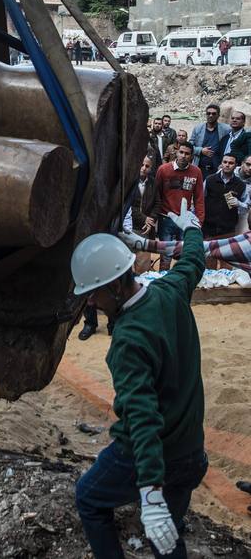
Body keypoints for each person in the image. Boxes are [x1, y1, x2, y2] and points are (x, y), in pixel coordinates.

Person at [73, 201, 208, 559]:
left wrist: (149, 492)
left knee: (88, 498)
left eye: (94, 291)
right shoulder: (170, 290)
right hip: (192, 452)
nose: (91, 301)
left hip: (152, 457)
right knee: (166, 534)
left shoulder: (129, 342)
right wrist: (192, 228)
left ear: (116, 285)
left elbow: (143, 421)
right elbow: (194, 260)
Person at [79, 156, 158, 342]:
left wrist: (124, 241)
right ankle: (89, 323)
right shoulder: (91, 187)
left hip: (113, 243)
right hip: (91, 244)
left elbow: (126, 217)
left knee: (115, 286)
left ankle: (113, 323)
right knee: (90, 288)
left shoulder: (122, 190)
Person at [154, 142, 204, 247]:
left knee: (184, 253)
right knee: (166, 255)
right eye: (181, 152)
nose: (183, 156)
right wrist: (155, 216)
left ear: (191, 156)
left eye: (187, 153)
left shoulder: (196, 172)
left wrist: (199, 221)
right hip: (166, 218)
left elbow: (199, 198)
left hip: (185, 219)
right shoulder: (163, 169)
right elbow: (156, 194)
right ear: (176, 152)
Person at [202, 154, 246, 241]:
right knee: (205, 253)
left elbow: (246, 208)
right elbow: (200, 200)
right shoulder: (210, 179)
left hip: (228, 229)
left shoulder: (241, 184)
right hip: (208, 227)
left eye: (230, 163)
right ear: (221, 163)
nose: (227, 165)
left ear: (236, 165)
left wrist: (239, 203)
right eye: (225, 162)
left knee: (224, 254)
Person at [189, 104, 229, 180]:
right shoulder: (198, 128)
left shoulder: (225, 129)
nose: (211, 115)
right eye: (208, 113)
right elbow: (189, 146)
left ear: (218, 115)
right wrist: (201, 150)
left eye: (214, 114)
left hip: (218, 168)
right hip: (200, 167)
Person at [234, 155, 251, 235]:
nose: (250, 168)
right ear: (242, 163)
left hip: (243, 218)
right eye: (248, 164)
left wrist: (238, 203)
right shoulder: (229, 171)